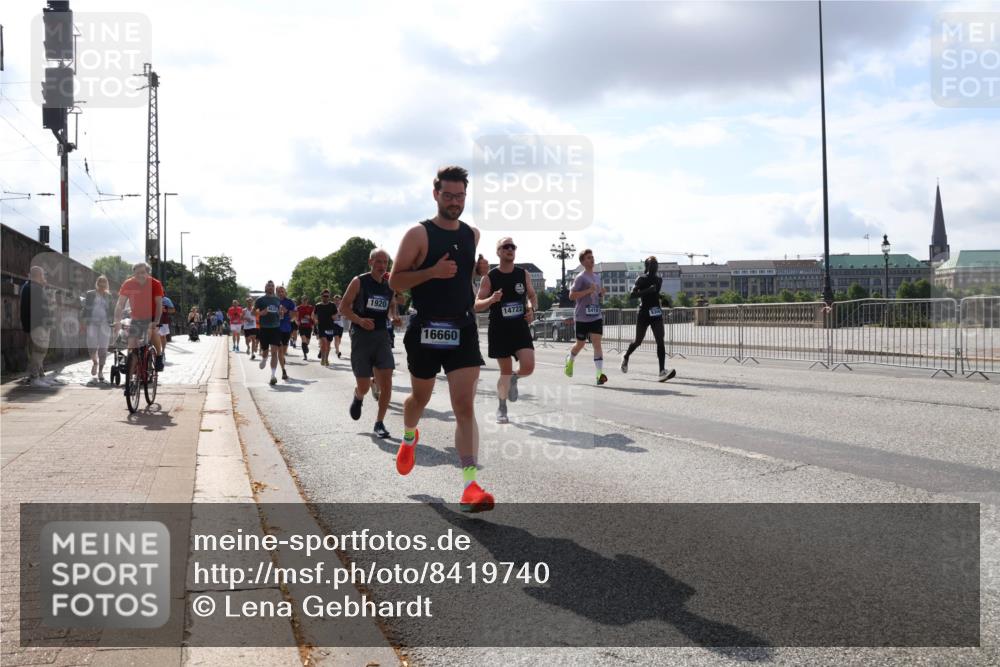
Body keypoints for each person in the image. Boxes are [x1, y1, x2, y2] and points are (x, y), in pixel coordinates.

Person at [389, 165, 494, 513]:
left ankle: (470, 486)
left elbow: (462, 281)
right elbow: (395, 282)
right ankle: (409, 436)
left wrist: (477, 274)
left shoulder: (472, 234)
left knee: (464, 407)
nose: (454, 202)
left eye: (460, 196)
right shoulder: (418, 235)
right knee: (419, 400)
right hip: (426, 329)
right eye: (448, 195)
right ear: (436, 194)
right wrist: (432, 272)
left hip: (462, 327)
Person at [475, 237, 537, 424]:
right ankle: (502, 407)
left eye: (512, 246)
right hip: (500, 330)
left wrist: (532, 309)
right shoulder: (490, 277)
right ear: (498, 252)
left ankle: (514, 379)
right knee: (505, 371)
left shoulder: (523, 274)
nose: (510, 249)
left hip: (519, 328)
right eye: (505, 247)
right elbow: (477, 305)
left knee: (528, 366)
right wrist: (492, 299)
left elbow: (532, 296)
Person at [341, 248, 400, 438]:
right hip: (361, 336)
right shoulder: (359, 281)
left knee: (387, 381)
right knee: (365, 386)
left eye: (385, 262)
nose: (382, 266)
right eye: (379, 261)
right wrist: (359, 320)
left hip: (382, 336)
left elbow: (391, 307)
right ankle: (358, 396)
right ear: (370, 262)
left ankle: (379, 422)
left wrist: (393, 318)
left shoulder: (389, 284)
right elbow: (343, 308)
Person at [621, 256, 677, 382]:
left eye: (656, 264)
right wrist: (647, 290)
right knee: (638, 341)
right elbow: (632, 295)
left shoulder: (659, 279)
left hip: (656, 312)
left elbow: (656, 294)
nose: (655, 266)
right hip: (644, 313)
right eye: (652, 264)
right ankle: (626, 356)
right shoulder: (641, 279)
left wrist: (664, 299)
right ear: (647, 266)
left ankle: (662, 371)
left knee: (660, 340)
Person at [113, 262, 165, 379]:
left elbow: (158, 304)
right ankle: (130, 379)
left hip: (151, 315)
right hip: (136, 317)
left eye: (143, 272)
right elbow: (120, 304)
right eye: (137, 273)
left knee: (152, 332)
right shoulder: (129, 284)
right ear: (133, 274)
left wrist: (156, 321)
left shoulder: (155, 284)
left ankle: (159, 356)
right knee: (131, 345)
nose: (140, 275)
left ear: (148, 273)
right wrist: (117, 321)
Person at [566, 248, 608, 385]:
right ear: (583, 262)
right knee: (581, 344)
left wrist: (601, 293)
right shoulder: (580, 278)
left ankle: (599, 375)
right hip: (582, 317)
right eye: (589, 258)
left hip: (595, 315)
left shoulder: (597, 277)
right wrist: (588, 290)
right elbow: (571, 296)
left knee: (597, 344)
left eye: (592, 256)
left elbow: (596, 296)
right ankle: (570, 359)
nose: (592, 259)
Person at [19, 265, 55, 387]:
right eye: (43, 275)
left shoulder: (29, 287)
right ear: (39, 276)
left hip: (34, 325)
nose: (44, 277)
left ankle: (40, 376)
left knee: (37, 351)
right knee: (39, 351)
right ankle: (35, 378)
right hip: (39, 325)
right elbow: (42, 309)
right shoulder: (35, 288)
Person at [83, 275, 114, 383]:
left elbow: (112, 311)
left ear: (106, 284)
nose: (102, 284)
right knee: (91, 347)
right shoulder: (90, 294)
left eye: (104, 282)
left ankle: (100, 371)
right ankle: (95, 362)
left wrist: (113, 323)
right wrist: (83, 323)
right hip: (92, 324)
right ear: (97, 283)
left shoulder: (109, 296)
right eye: (100, 282)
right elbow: (85, 309)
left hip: (105, 325)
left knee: (103, 349)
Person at [254, 281, 285, 385]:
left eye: (272, 286)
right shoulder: (260, 300)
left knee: (274, 352)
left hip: (275, 328)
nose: (271, 287)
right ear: (265, 287)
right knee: (265, 352)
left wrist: (280, 313)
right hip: (264, 328)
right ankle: (264, 359)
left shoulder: (277, 299)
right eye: (269, 286)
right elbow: (254, 312)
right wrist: (261, 313)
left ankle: (273, 376)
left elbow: (279, 312)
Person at [276, 285, 296, 380]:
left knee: (283, 351)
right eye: (279, 291)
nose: (280, 293)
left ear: (285, 292)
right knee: (279, 351)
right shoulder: (274, 301)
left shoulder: (289, 302)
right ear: (276, 292)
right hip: (275, 328)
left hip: (286, 328)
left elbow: (294, 315)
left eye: (282, 291)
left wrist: (286, 311)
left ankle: (282, 359)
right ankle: (283, 371)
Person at [313, 290, 337, 366]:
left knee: (328, 344)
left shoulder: (332, 305)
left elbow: (336, 313)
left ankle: (326, 358)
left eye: (327, 296)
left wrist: (334, 317)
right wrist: (316, 320)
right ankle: (323, 358)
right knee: (324, 343)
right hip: (321, 326)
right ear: (321, 296)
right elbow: (315, 315)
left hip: (330, 326)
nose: (326, 298)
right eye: (324, 296)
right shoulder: (318, 305)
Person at [296, 295, 315, 361]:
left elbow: (313, 317)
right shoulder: (298, 308)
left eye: (305, 300)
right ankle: (305, 355)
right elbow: (296, 316)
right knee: (303, 340)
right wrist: (297, 321)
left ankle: (305, 347)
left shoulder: (311, 307)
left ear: (307, 300)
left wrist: (309, 318)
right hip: (301, 326)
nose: (304, 301)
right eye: (303, 300)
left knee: (307, 342)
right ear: (301, 300)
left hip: (308, 326)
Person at [331, 294, 346, 359]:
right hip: (334, 324)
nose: (337, 301)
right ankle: (337, 351)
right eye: (335, 300)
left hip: (341, 324)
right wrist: (336, 314)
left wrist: (341, 314)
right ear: (334, 300)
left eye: (338, 300)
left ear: (340, 300)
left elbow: (346, 315)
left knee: (339, 340)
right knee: (336, 338)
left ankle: (336, 348)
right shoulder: (331, 306)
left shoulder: (342, 306)